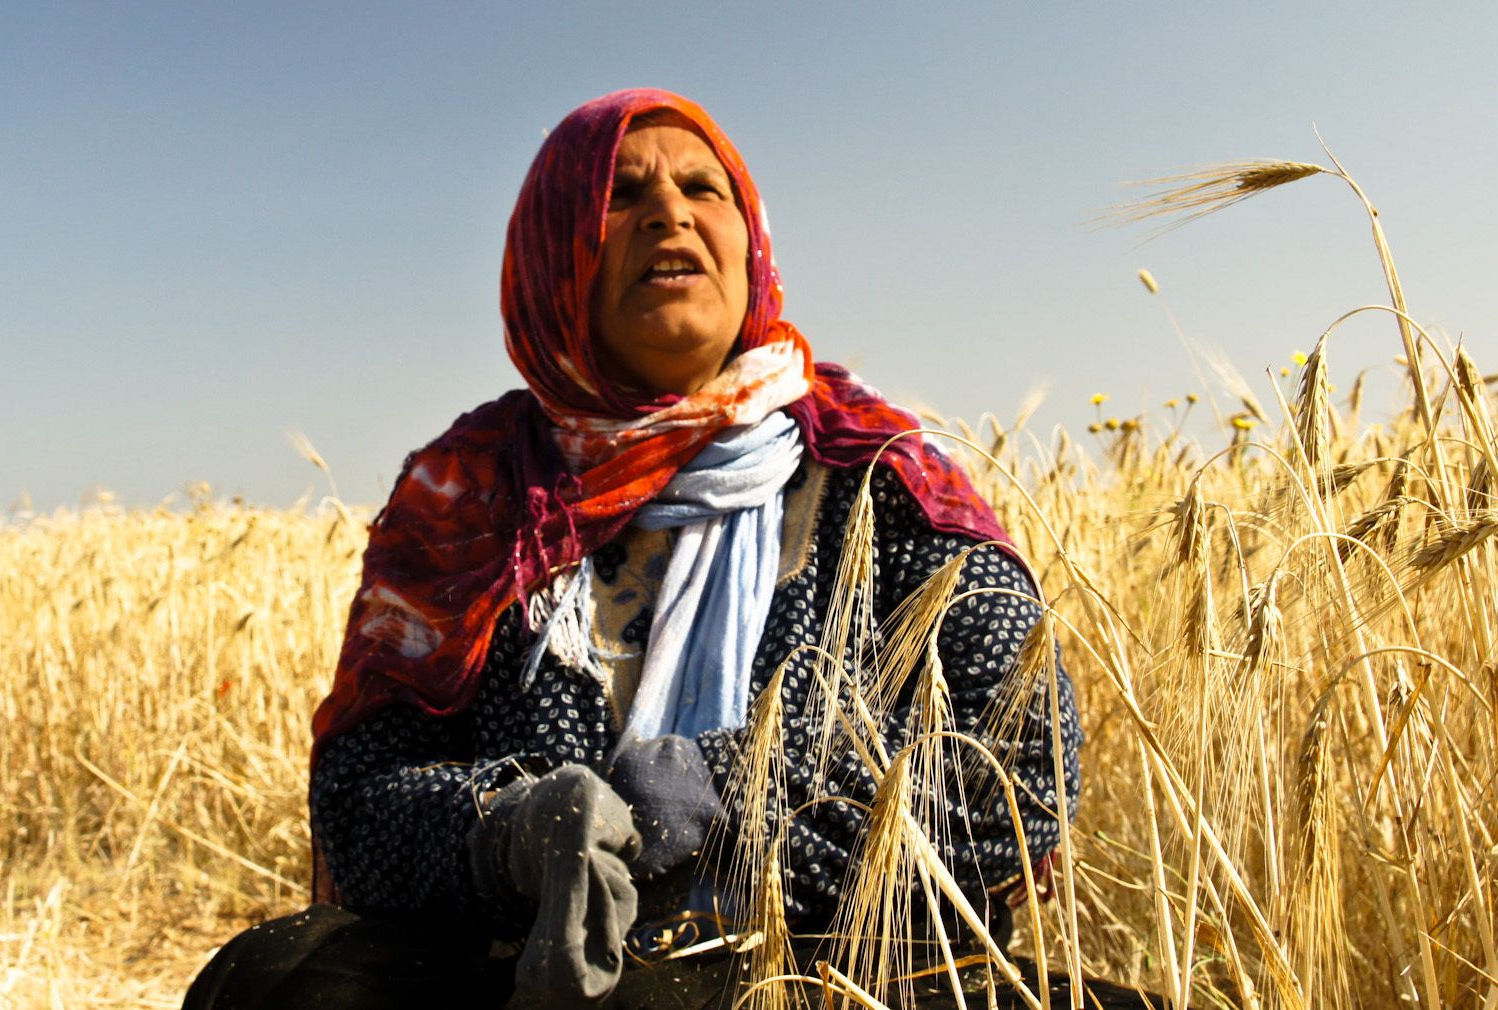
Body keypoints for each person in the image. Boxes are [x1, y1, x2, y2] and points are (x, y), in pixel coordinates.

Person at [184, 89, 1102, 1010]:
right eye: (620, 196)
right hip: (535, 969)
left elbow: (1019, 753)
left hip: (840, 972)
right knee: (269, 980)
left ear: (752, 244)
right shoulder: (470, 498)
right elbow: (361, 799)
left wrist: (721, 790)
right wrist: (507, 833)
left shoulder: (882, 476)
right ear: (554, 257)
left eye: (705, 189)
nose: (670, 211)